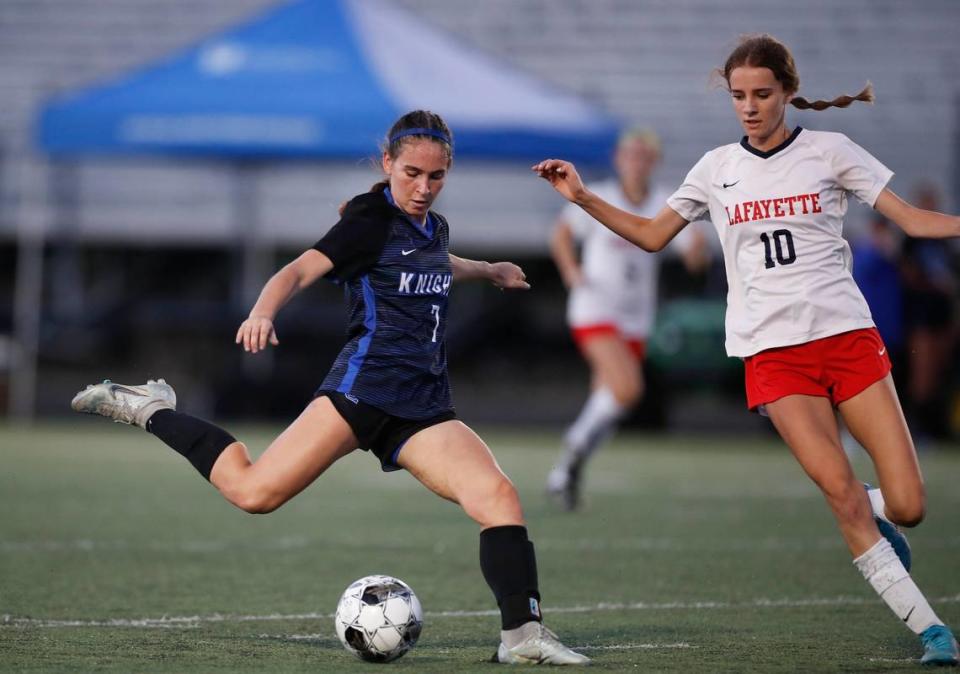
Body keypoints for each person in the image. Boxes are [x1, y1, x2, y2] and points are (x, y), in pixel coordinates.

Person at [72, 110, 589, 666]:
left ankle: (522, 637)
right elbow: (296, 270)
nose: (423, 187)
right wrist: (262, 312)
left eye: (436, 177)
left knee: (498, 498)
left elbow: (437, 263)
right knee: (253, 493)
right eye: (412, 172)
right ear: (387, 162)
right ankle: (152, 408)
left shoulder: (433, 226)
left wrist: (489, 270)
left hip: (423, 407)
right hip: (360, 392)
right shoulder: (367, 220)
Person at [533, 34, 959, 666]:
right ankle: (933, 634)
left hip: (847, 340)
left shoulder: (830, 151)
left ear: (788, 91)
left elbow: (914, 220)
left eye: (762, 94)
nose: (750, 107)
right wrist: (584, 198)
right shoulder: (714, 169)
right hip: (773, 356)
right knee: (839, 496)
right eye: (739, 96)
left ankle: (878, 508)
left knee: (910, 506)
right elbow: (653, 235)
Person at [546, 128, 707, 510]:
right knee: (628, 388)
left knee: (610, 401)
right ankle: (572, 447)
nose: (636, 162)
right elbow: (562, 233)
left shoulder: (662, 202)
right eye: (630, 154)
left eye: (643, 155)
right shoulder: (601, 196)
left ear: (654, 161)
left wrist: (697, 250)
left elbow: (693, 253)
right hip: (595, 307)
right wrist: (570, 271)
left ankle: (565, 470)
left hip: (635, 318)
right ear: (619, 159)